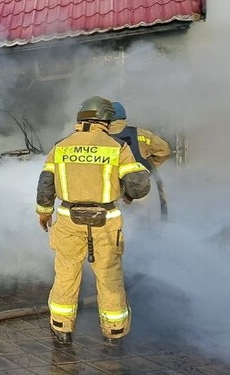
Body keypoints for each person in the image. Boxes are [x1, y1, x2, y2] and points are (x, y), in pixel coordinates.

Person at [36, 96, 150, 346]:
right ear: (106, 120)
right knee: (109, 277)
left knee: (66, 275)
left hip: (68, 220)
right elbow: (139, 185)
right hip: (106, 221)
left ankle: (62, 329)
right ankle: (114, 332)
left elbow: (46, 184)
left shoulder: (61, 146)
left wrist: (44, 212)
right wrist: (129, 194)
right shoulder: (117, 147)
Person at [107, 102, 171, 169]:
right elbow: (164, 150)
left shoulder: (101, 136)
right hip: (139, 174)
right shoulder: (140, 133)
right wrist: (151, 164)